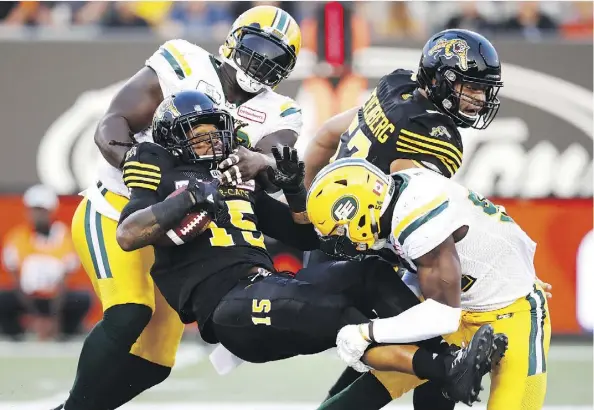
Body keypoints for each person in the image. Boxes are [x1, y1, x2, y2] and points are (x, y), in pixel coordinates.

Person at [117, 90, 503, 407]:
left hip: (270, 286)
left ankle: (446, 371)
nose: (213, 143)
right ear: (171, 140)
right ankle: (445, 366)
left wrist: (293, 188)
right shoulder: (161, 172)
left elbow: (304, 235)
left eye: (216, 133)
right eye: (198, 136)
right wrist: (189, 199)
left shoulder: (234, 181)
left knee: (368, 273)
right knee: (345, 315)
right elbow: (128, 234)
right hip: (228, 307)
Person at [57, 5, 304, 410]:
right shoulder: (183, 60)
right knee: (128, 313)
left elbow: (273, 160)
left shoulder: (281, 110)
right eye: (258, 47)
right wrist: (137, 164)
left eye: (277, 58)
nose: (263, 62)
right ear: (234, 41)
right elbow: (114, 120)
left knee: (156, 360)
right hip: (119, 207)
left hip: (186, 228)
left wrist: (261, 162)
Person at [307, 158, 551, 410]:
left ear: (359, 211)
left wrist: (366, 332)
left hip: (510, 312)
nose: (340, 241)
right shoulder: (395, 196)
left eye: (339, 231)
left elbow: (442, 316)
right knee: (367, 391)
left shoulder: (417, 218)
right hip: (456, 301)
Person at [0, 184, 90, 341]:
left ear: (50, 211)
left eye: (41, 210)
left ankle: (65, 330)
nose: (37, 215)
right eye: (33, 210)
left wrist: (52, 316)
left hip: (55, 299)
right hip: (26, 298)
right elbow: (15, 278)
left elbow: (64, 280)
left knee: (83, 298)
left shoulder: (64, 237)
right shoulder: (17, 237)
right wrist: (34, 316)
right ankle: (15, 331)